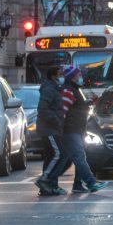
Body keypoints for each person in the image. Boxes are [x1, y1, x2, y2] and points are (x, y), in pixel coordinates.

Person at [52, 65, 108, 193]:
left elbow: (74, 107)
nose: (80, 77)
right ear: (72, 77)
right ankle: (91, 182)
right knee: (79, 157)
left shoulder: (74, 89)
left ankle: (76, 184)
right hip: (71, 130)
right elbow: (63, 111)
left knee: (72, 158)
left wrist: (85, 103)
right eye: (78, 75)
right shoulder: (68, 90)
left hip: (77, 129)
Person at [34, 66, 68, 196]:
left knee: (50, 156)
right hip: (49, 129)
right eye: (60, 74)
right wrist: (57, 121)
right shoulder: (49, 89)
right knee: (59, 154)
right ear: (53, 76)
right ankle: (45, 180)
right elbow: (43, 109)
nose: (62, 76)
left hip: (51, 128)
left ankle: (49, 187)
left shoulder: (54, 88)